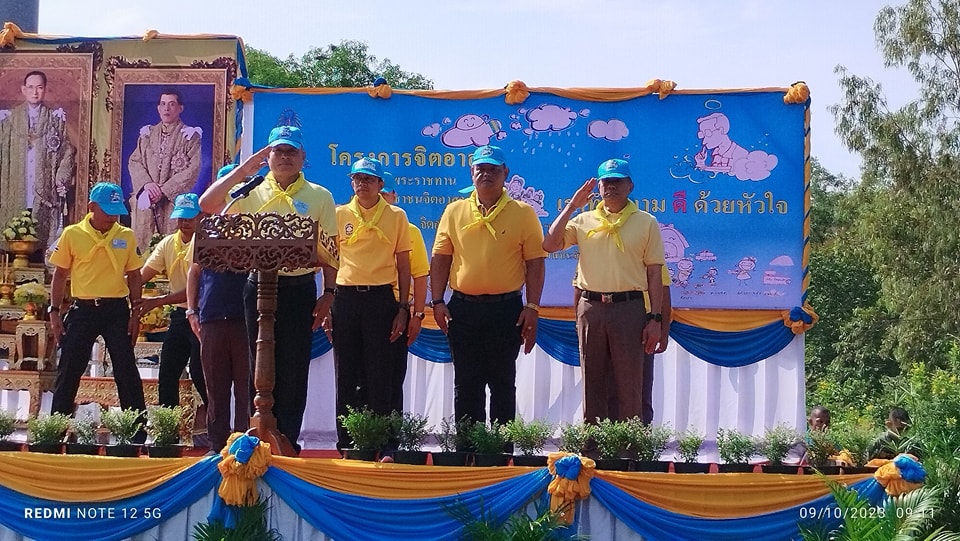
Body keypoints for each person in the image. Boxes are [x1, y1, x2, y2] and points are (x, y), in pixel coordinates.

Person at [199, 125, 337, 454]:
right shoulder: (250, 189)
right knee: (256, 363)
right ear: (268, 156)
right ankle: (257, 438)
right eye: (278, 151)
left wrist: (329, 293)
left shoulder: (320, 195)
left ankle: (287, 439)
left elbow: (331, 251)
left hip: (299, 288)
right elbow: (207, 204)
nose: (285, 157)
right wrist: (243, 172)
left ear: (303, 157)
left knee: (293, 366)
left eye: (291, 151)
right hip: (257, 287)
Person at [430, 145, 546, 431]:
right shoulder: (454, 210)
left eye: (493, 169)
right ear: (471, 172)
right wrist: (437, 301)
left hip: (506, 310)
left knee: (502, 382)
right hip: (462, 309)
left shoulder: (524, 213)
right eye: (480, 168)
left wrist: (532, 307)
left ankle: (500, 448)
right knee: (466, 382)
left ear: (505, 173)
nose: (486, 174)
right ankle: (468, 448)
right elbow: (441, 257)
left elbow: (535, 263)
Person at [542, 158, 665, 423]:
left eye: (617, 182)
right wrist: (572, 206)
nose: (611, 187)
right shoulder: (583, 220)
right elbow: (550, 244)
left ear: (630, 186)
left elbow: (655, 274)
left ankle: (628, 444)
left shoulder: (646, 222)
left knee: (630, 384)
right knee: (592, 380)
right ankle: (593, 443)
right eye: (606, 182)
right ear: (598, 187)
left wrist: (656, 318)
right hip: (592, 308)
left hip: (629, 308)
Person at [47, 182, 147, 442]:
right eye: (107, 211)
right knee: (69, 368)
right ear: (92, 207)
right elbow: (60, 275)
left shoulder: (126, 235)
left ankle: (136, 431)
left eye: (116, 212)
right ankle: (55, 431)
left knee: (125, 368)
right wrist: (54, 311)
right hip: (83, 309)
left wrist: (136, 313)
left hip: (117, 310)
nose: (112, 217)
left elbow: (134, 275)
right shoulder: (72, 234)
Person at [331, 158, 411, 450]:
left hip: (381, 299)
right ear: (351, 182)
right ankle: (348, 442)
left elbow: (404, 265)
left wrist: (403, 307)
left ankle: (382, 442)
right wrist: (327, 300)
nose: (362, 183)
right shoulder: (339, 214)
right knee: (346, 373)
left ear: (380, 184)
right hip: (345, 298)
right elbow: (329, 261)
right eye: (357, 178)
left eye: (369, 179)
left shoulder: (396, 216)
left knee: (381, 373)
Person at [186, 163, 251, 453]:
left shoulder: (253, 230)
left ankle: (245, 443)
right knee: (215, 387)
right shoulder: (206, 230)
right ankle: (216, 444)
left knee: (247, 388)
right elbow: (194, 272)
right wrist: (191, 310)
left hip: (245, 318)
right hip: (211, 317)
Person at [139, 193, 207, 410]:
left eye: (190, 217)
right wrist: (117, 286)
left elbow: (197, 289)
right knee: (168, 370)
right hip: (180, 316)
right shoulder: (168, 243)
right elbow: (143, 276)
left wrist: (158, 301)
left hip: (203, 314)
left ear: (201, 216)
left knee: (200, 372)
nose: (185, 222)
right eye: (181, 217)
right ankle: (168, 423)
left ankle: (216, 420)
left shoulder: (207, 242)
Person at [0, 70, 76, 250]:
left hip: (44, 187)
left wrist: (61, 179)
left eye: (39, 87)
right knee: (15, 229)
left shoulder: (55, 119)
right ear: (23, 89)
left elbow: (67, 152)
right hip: (16, 184)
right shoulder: (9, 120)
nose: (35, 92)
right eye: (31, 87)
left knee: (42, 233)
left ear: (45, 89)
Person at [128, 88, 202, 252]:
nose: (166, 108)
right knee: (144, 250)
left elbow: (192, 169)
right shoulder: (147, 134)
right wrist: (147, 185)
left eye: (172, 104)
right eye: (163, 104)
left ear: (180, 108)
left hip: (173, 202)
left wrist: (164, 190)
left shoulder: (189, 136)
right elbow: (134, 161)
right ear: (158, 108)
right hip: (148, 199)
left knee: (171, 250)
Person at [380, 171, 429, 414]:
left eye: (384, 194)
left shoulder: (410, 230)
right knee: (358, 377)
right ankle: (360, 434)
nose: (380, 199)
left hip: (395, 309)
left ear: (394, 196)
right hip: (357, 305)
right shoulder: (352, 222)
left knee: (391, 376)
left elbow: (419, 275)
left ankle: (391, 433)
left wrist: (417, 315)